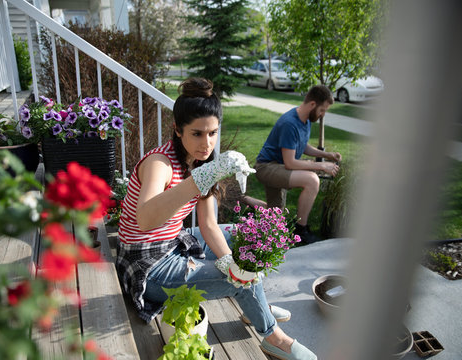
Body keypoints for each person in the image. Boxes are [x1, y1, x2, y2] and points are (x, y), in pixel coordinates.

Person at [116, 78, 318, 360]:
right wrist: (200, 179)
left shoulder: (201, 162)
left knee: (244, 237)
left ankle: (255, 305)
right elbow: (145, 220)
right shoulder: (159, 164)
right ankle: (275, 338)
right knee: (238, 277)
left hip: (174, 243)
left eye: (212, 133)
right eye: (197, 134)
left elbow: (209, 224)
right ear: (177, 130)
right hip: (148, 266)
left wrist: (230, 262)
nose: (207, 143)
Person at [254, 85, 342, 244]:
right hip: (267, 167)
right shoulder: (290, 123)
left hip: (277, 166)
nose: (322, 115)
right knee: (312, 180)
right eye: (322, 110)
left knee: (274, 218)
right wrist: (321, 166)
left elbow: (301, 145)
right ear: (313, 104)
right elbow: (290, 162)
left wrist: (326, 155)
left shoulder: (305, 120)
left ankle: (242, 199)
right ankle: (301, 230)